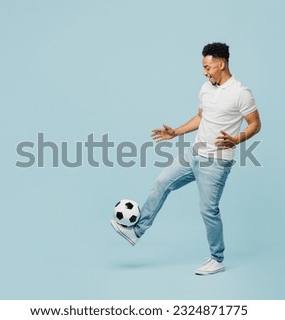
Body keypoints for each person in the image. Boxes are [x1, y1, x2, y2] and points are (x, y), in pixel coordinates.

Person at [110, 42, 261, 276]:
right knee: (162, 182)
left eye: (208, 67)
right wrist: (175, 133)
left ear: (221, 64)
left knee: (208, 210)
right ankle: (136, 231)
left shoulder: (241, 93)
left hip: (216, 162)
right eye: (204, 67)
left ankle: (216, 258)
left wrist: (236, 139)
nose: (205, 71)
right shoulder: (205, 88)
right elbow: (202, 117)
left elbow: (255, 124)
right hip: (194, 154)